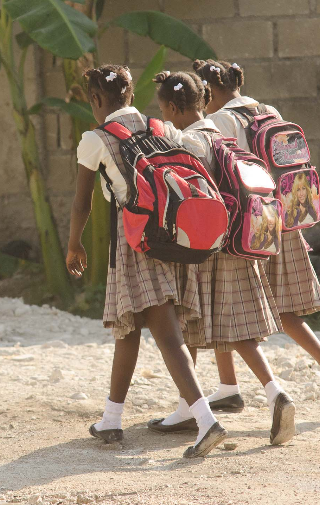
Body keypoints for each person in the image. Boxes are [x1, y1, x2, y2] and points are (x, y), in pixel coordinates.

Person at [66, 64, 228, 458]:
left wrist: (74, 244)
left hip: (135, 239)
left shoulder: (94, 139)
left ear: (98, 100)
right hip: (172, 235)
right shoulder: (162, 128)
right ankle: (111, 418)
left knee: (165, 332)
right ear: (130, 96)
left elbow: (82, 201)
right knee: (128, 327)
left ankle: (207, 422)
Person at [193, 59, 320, 421]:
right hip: (282, 220)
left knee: (229, 305)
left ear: (210, 91)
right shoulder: (266, 109)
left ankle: (248, 389)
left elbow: (227, 175)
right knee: (284, 310)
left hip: (247, 228)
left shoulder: (220, 120)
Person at [145, 70, 296, 446]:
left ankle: (276, 393)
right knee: (194, 326)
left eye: (165, 109)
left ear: (176, 108)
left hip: (211, 253)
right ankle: (187, 405)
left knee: (230, 330)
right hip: (240, 244)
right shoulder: (218, 133)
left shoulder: (189, 142)